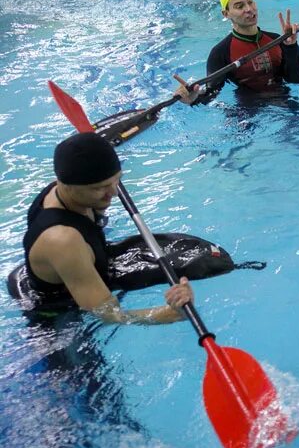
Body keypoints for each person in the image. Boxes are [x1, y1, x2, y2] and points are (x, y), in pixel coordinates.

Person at [18, 132, 194, 324]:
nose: (114, 193)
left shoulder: (66, 190)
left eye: (117, 180)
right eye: (99, 188)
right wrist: (173, 313)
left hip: (74, 270)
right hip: (58, 318)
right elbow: (110, 315)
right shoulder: (62, 241)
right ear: (67, 186)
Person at [175, 0, 299, 104]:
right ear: (226, 14)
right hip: (248, 108)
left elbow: (296, 80)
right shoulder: (221, 52)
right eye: (239, 6)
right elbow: (212, 93)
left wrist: (291, 46)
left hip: (282, 99)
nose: (249, 9)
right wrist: (193, 98)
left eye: (250, 2)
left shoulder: (276, 40)